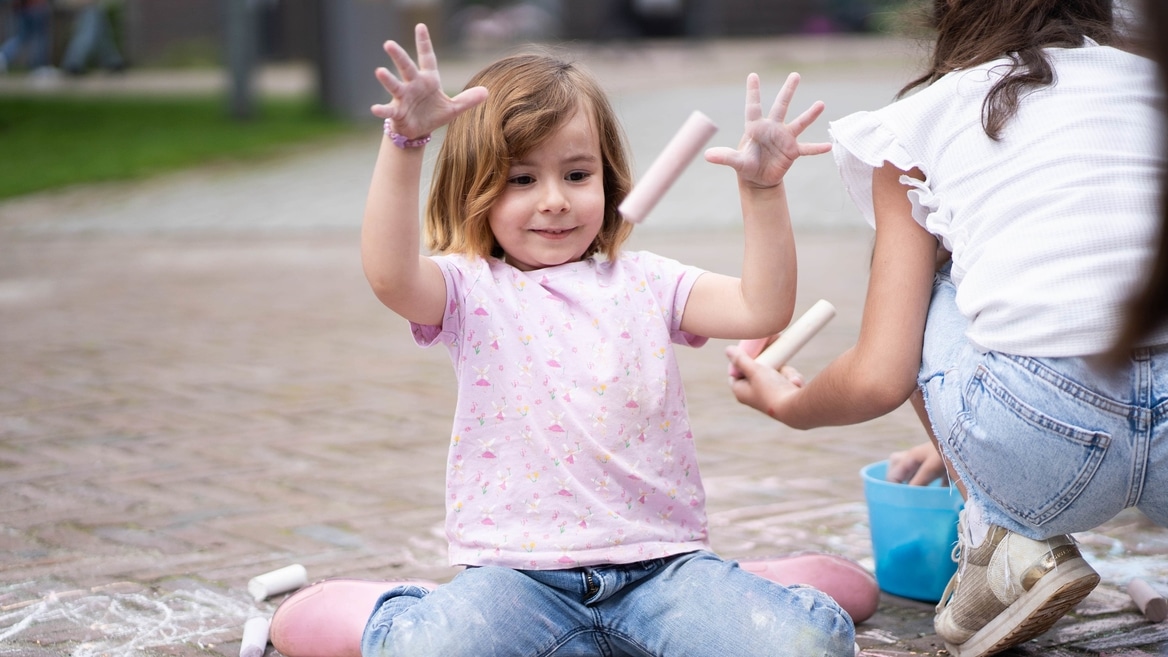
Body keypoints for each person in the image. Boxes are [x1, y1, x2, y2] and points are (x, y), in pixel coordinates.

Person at [270, 22, 861, 657]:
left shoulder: (648, 281)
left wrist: (764, 190)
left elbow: (760, 306)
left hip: (658, 572)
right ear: (474, 187)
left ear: (607, 182)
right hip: (517, 583)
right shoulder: (470, 290)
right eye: (522, 179)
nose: (554, 200)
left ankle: (731, 589)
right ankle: (404, 610)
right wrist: (406, 141)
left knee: (808, 643)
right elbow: (389, 275)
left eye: (577, 175)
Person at [725, 2, 1167, 657]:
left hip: (1036, 440)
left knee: (925, 273)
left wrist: (792, 403)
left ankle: (1004, 541)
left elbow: (882, 371)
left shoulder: (924, 120)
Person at [60, 0, 123, 75]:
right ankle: (73, 63)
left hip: (92, 8)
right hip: (85, 8)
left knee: (99, 28)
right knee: (90, 29)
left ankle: (113, 61)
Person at [0, 0, 51, 74]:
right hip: (36, 8)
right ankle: (39, 66)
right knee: (39, 39)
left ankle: (4, 55)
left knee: (22, 38)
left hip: (26, 8)